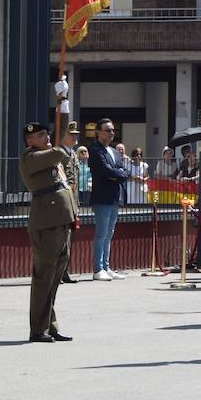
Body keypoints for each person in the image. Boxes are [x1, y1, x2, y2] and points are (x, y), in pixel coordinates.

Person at [18, 123, 75, 342]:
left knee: (54, 278)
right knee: (44, 277)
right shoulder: (30, 157)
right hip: (46, 223)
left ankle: (50, 325)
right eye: (41, 135)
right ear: (29, 141)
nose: (47, 137)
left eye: (46, 133)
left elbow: (62, 156)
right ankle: (37, 329)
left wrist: (64, 101)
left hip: (60, 221)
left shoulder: (48, 155)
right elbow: (60, 152)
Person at [86, 120, 129, 281]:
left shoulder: (114, 151)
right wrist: (118, 173)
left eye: (112, 130)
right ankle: (98, 269)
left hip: (115, 196)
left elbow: (122, 170)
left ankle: (106, 266)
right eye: (107, 130)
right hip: (102, 197)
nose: (111, 133)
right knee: (101, 233)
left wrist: (117, 174)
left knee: (109, 233)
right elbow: (105, 170)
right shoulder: (95, 149)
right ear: (98, 132)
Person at [58, 122, 82, 286]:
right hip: (62, 204)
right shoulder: (58, 154)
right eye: (71, 134)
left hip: (73, 203)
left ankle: (64, 271)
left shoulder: (72, 154)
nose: (74, 137)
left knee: (69, 240)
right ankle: (57, 272)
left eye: (76, 135)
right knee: (60, 241)